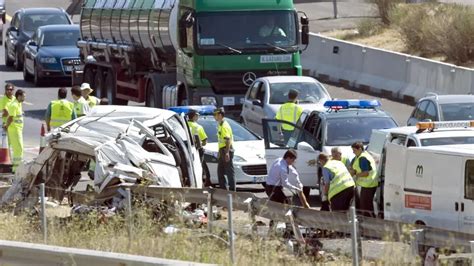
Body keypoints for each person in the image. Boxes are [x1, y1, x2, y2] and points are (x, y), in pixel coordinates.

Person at [349, 141, 378, 217]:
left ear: (360, 149)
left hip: (368, 185)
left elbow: (366, 173)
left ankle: (369, 223)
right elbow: (353, 167)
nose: (353, 152)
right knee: (363, 205)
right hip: (364, 185)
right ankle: (366, 222)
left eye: (354, 150)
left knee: (366, 206)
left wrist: (356, 174)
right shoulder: (358, 157)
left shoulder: (363, 158)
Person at [3, 90, 25, 172]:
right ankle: (16, 169)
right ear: (19, 96)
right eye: (23, 96)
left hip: (17, 130)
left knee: (18, 149)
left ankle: (16, 167)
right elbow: (10, 117)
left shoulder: (19, 104)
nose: (24, 98)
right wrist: (6, 126)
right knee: (19, 149)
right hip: (15, 130)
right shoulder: (14, 105)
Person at [214, 107, 235, 191]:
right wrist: (219, 151)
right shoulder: (220, 124)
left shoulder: (224, 126)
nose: (214, 116)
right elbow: (221, 140)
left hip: (226, 150)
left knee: (229, 172)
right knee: (220, 172)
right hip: (222, 150)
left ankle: (232, 191)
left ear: (220, 115)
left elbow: (227, 140)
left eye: (215, 115)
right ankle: (223, 190)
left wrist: (226, 153)